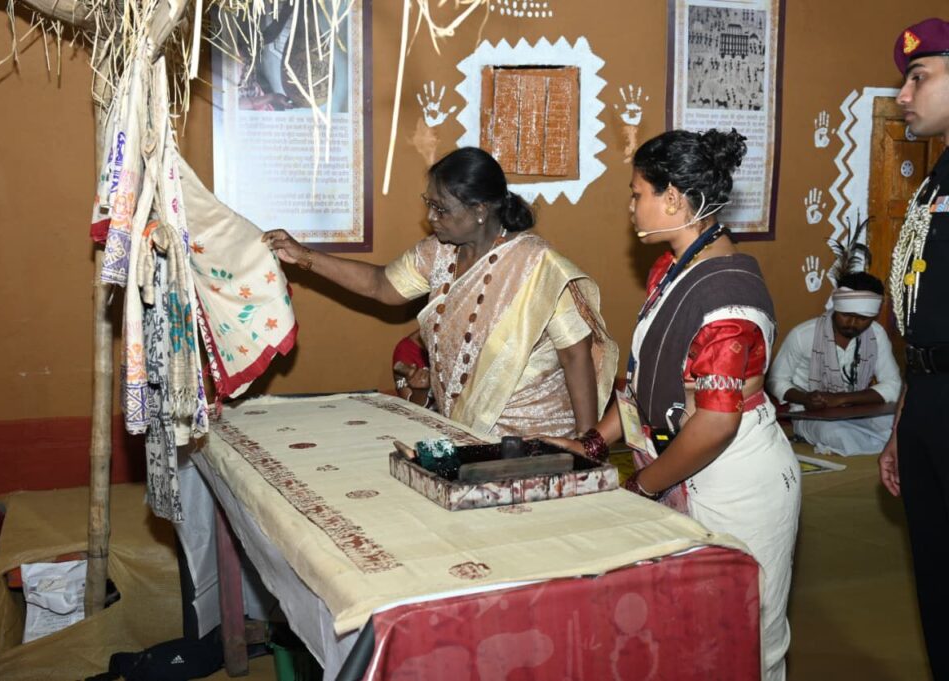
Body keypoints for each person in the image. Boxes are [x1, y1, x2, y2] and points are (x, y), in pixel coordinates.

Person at [545, 129, 800, 681]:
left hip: (734, 482)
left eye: (637, 193)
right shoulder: (672, 269)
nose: (631, 205)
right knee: (685, 635)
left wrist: (643, 486)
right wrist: (595, 442)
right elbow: (644, 380)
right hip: (682, 464)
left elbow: (715, 424)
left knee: (746, 637)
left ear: (674, 199)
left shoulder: (727, 299)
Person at [262, 147, 618, 438]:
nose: (431, 217)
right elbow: (380, 285)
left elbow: (576, 355)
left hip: (535, 438)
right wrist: (303, 256)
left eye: (441, 209)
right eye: (428, 204)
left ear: (479, 210)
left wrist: (586, 444)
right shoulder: (438, 252)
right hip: (464, 433)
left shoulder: (537, 265)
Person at [879, 17, 949, 679]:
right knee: (934, 572)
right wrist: (904, 420)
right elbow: (922, 320)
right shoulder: (936, 180)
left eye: (919, 77)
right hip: (928, 394)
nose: (903, 94)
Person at [767, 272, 901, 455]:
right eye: (846, 315)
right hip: (811, 415)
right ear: (836, 307)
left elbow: (893, 385)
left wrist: (842, 399)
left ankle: (873, 443)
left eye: (863, 318)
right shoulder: (803, 334)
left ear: (874, 317)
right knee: (835, 433)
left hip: (860, 410)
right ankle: (880, 444)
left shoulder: (876, 334)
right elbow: (775, 381)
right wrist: (805, 399)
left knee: (900, 422)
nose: (852, 323)